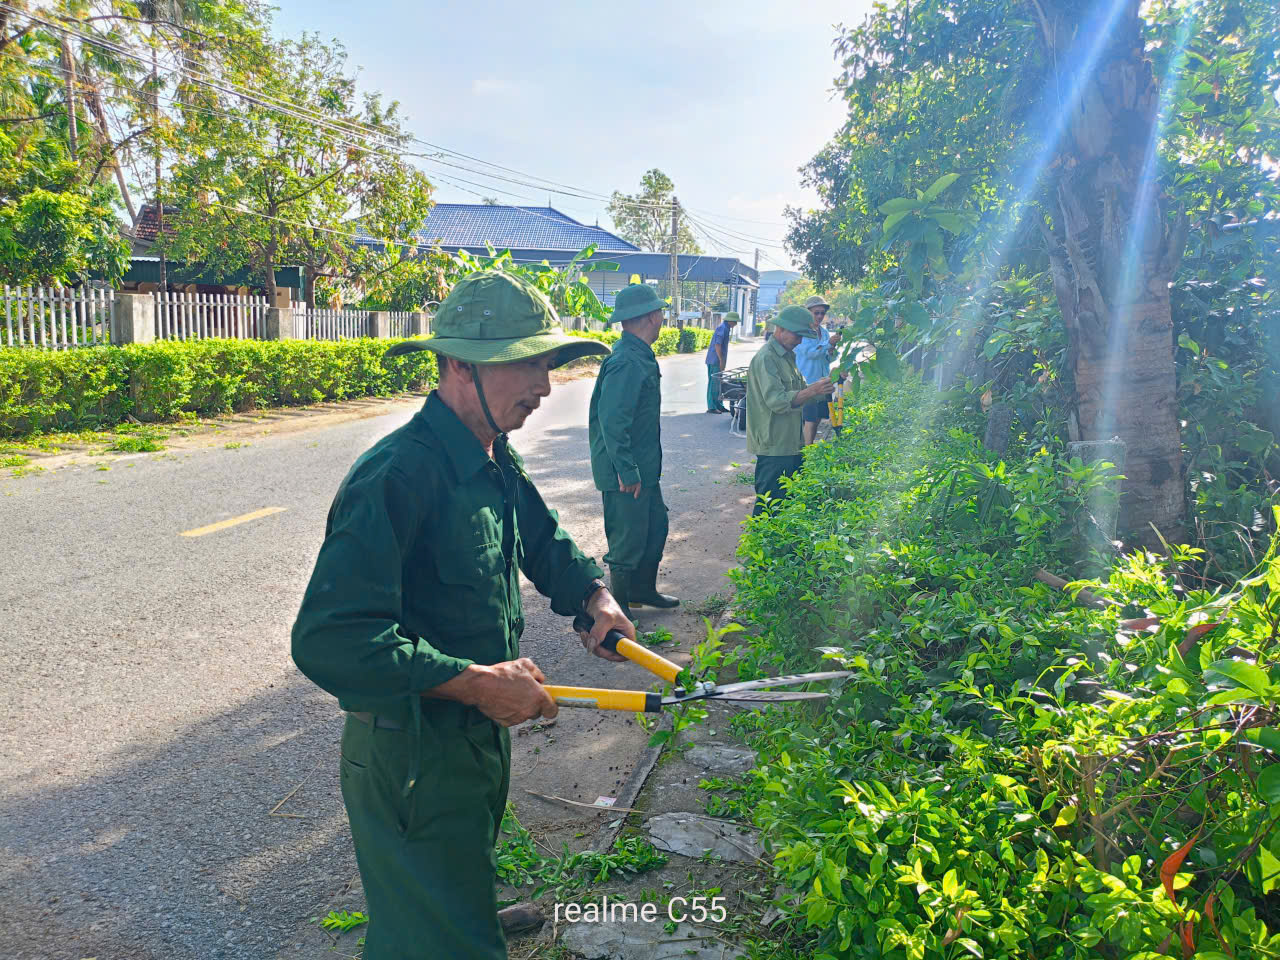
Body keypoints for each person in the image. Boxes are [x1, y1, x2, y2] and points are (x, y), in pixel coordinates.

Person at [291, 270, 634, 960]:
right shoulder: (396, 476)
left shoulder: (490, 456)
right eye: (523, 364)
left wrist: (593, 598)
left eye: (546, 364)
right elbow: (330, 639)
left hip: (472, 741)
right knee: (431, 939)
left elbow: (542, 539)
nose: (542, 385)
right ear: (456, 365)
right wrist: (478, 682)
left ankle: (465, 908)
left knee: (454, 882)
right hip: (413, 750)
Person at [588, 284, 679, 619]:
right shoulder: (626, 361)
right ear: (651, 317)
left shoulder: (638, 355)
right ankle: (620, 609)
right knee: (627, 539)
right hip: (626, 472)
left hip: (643, 467)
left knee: (655, 527)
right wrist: (626, 470)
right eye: (660, 313)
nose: (661, 319)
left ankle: (641, 590)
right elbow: (612, 422)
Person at [746, 305, 833, 516]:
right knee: (769, 509)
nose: (800, 341)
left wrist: (826, 386)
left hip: (791, 442)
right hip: (774, 444)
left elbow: (800, 392)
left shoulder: (787, 355)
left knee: (786, 505)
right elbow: (778, 401)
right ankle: (760, 549)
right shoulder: (767, 358)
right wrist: (813, 389)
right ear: (781, 329)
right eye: (798, 335)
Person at [795, 294, 838, 446]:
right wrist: (828, 345)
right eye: (816, 312)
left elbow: (827, 358)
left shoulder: (824, 332)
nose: (820, 316)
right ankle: (807, 453)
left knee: (818, 417)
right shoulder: (802, 332)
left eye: (822, 313)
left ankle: (806, 447)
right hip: (808, 382)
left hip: (823, 382)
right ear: (808, 313)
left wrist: (831, 351)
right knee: (810, 419)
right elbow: (810, 353)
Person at [704, 311, 739, 413]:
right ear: (730, 321)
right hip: (715, 360)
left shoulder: (726, 328)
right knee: (714, 384)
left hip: (717, 360)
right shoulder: (722, 328)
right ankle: (712, 407)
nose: (736, 324)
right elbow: (717, 345)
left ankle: (719, 405)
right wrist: (721, 360)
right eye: (735, 322)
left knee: (718, 383)